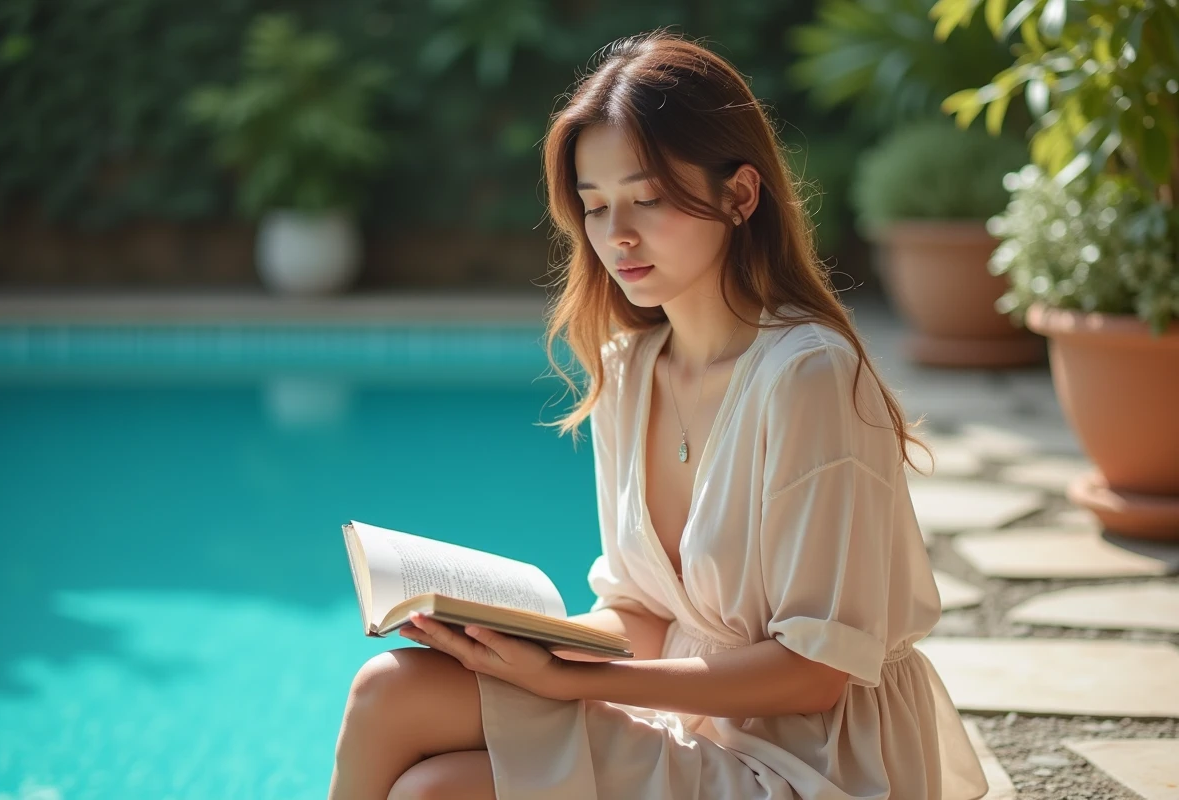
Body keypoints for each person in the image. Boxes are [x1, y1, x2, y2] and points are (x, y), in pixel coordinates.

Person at [327, 28, 989, 800]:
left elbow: (817, 674)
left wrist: (575, 685)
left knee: (435, 794)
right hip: (695, 722)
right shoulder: (630, 368)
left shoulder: (807, 376)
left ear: (740, 195)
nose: (618, 236)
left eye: (647, 199)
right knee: (390, 688)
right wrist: (521, 648)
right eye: (596, 206)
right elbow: (640, 611)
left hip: (814, 759)